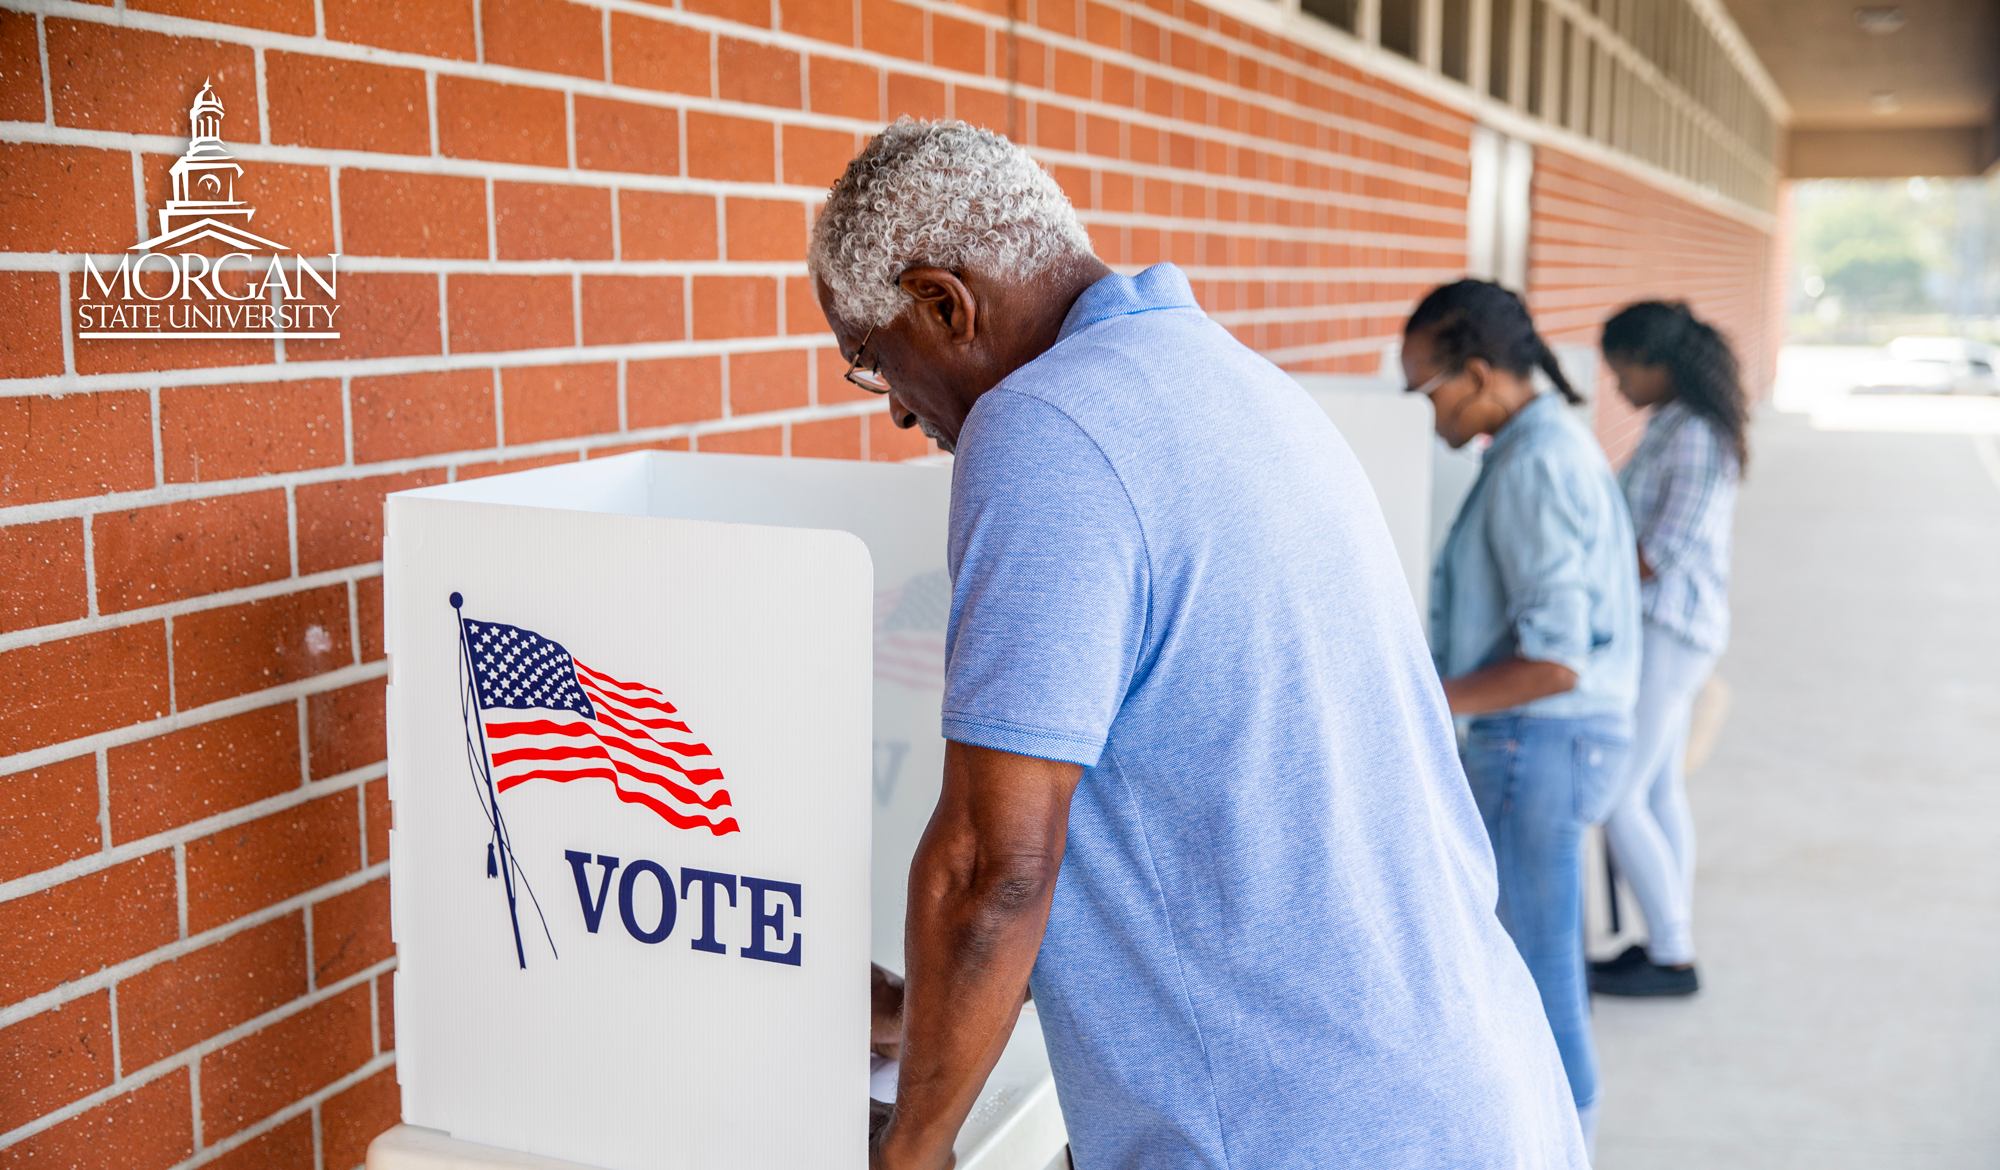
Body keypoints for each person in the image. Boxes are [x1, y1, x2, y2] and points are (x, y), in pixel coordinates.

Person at [811, 120, 1586, 1170]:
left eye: (871, 361)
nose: (900, 414)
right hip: (1465, 1086)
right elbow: (1210, 808)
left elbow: (994, 863)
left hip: (1303, 1132)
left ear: (944, 304)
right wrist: (930, 1015)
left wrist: (914, 1147)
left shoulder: (1043, 426)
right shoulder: (1233, 382)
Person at [1407, 280, 1642, 1146]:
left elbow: (1554, 659)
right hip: (1558, 744)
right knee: (1540, 963)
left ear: (1476, 376)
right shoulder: (1544, 444)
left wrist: (1426, 702)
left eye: (1427, 390)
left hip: (1538, 745)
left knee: (1538, 977)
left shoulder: (1534, 464)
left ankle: (1567, 1145)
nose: (1424, 412)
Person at [1589, 301, 1747, 998]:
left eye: (1624, 369)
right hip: (1670, 630)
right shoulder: (1676, 424)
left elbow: (1658, 555)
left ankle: (1673, 954)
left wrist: (1580, 573)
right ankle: (1665, 939)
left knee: (1615, 795)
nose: (1618, 384)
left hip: (1667, 632)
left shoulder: (1694, 438)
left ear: (1659, 363)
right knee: (1656, 790)